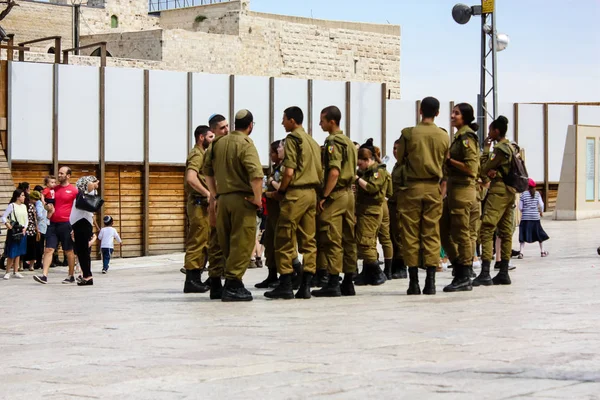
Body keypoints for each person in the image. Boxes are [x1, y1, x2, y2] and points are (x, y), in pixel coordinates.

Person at [204, 109, 264, 302]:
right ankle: (233, 284)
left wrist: (216, 194)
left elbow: (208, 172)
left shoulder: (218, 143)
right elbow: (256, 175)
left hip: (223, 200)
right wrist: (257, 199)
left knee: (226, 242)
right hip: (242, 200)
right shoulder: (246, 144)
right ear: (250, 126)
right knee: (243, 242)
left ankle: (226, 282)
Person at [265, 106, 323, 300]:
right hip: (311, 193)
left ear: (292, 120)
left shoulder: (293, 140)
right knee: (309, 240)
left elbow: (288, 171)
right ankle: (306, 286)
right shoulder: (313, 143)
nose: (282, 123)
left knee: (284, 238)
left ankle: (286, 284)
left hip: (295, 194)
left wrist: (281, 191)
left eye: (284, 119)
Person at [396, 97, 449, 295]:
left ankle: (414, 283)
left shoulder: (409, 134)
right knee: (431, 233)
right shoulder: (443, 136)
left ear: (420, 110)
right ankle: (431, 282)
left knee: (410, 234)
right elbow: (445, 161)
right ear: (437, 113)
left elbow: (400, 158)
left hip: (412, 188)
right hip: (433, 189)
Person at [311, 105, 358, 297]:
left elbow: (334, 171)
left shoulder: (332, 141)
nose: (320, 124)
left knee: (332, 237)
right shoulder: (348, 141)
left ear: (331, 121)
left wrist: (324, 196)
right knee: (349, 237)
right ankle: (348, 281)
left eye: (322, 120)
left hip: (336, 193)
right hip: (349, 194)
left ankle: (332, 281)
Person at [441, 103, 480, 293]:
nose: (452, 115)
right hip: (454, 190)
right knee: (443, 229)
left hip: (463, 191)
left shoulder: (466, 138)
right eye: (452, 112)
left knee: (462, 233)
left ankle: (464, 273)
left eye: (456, 113)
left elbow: (472, 168)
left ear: (465, 117)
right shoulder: (458, 136)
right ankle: (458, 265)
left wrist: (449, 161)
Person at [473, 116, 515, 286]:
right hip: (510, 191)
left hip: (498, 191)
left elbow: (484, 169)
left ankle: (485, 272)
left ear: (496, 131)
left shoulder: (500, 148)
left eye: (490, 130)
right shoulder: (510, 147)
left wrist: (485, 150)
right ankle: (503, 272)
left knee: (487, 228)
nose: (489, 134)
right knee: (505, 231)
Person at [182, 125, 214, 293]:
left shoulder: (204, 154)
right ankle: (191, 280)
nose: (212, 140)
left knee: (204, 241)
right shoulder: (197, 154)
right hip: (198, 204)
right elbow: (191, 178)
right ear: (201, 137)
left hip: (202, 205)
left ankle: (197, 278)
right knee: (197, 241)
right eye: (210, 137)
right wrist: (207, 193)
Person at [34, 166, 79, 284]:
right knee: (48, 249)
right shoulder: (53, 189)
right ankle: (44, 275)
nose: (59, 175)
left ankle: (71, 275)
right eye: (58, 173)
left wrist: (75, 227)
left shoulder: (74, 191)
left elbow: (78, 209)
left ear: (68, 176)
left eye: (62, 173)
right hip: (52, 223)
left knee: (68, 250)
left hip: (66, 223)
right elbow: (46, 202)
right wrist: (46, 207)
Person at [353, 139, 388, 286]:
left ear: (368, 160)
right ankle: (367, 274)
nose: (359, 167)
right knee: (368, 242)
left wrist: (357, 179)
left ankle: (378, 272)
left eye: (360, 163)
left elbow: (372, 188)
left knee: (365, 243)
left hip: (371, 211)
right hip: (364, 209)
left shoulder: (377, 172)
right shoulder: (366, 171)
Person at [205, 114, 229, 295]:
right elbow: (208, 176)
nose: (226, 130)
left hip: (227, 198)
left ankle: (224, 279)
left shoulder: (229, 146)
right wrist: (214, 197)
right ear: (212, 130)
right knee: (216, 241)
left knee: (228, 241)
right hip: (219, 198)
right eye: (222, 128)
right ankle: (215, 282)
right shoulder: (212, 150)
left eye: (227, 126)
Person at [70, 176, 100, 286]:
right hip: (79, 225)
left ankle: (87, 276)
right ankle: (86, 275)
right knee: (82, 252)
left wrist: (93, 182)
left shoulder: (87, 194)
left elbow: (91, 188)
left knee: (83, 252)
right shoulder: (82, 195)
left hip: (82, 224)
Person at [374, 145, 394, 280]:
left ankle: (373, 269)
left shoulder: (373, 170)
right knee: (386, 238)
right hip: (384, 204)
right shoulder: (385, 170)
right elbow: (390, 192)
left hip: (374, 205)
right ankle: (388, 270)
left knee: (370, 237)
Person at [389, 138, 408, 279]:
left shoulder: (406, 166)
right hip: (393, 202)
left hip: (402, 204)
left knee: (400, 235)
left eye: (398, 148)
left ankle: (401, 265)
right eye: (394, 148)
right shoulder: (397, 165)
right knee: (393, 235)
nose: (395, 151)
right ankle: (395, 263)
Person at [518, 178, 549, 257]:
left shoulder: (523, 194)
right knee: (539, 234)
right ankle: (542, 251)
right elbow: (541, 205)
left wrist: (524, 211)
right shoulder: (537, 194)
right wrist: (541, 212)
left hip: (525, 218)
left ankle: (521, 252)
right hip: (535, 217)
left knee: (523, 235)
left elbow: (520, 207)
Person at [2, 189, 28, 280]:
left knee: (19, 252)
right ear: (18, 197)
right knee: (12, 251)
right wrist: (7, 224)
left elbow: (26, 218)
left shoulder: (24, 206)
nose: (24, 197)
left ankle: (16, 271)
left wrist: (25, 227)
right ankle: (8, 271)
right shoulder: (12, 206)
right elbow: (4, 217)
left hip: (22, 230)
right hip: (14, 230)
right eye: (22, 195)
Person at [31, 187, 48, 270]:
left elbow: (40, 215)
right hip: (44, 226)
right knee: (40, 245)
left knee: (39, 245)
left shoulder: (38, 204)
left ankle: (38, 262)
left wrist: (35, 217)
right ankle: (39, 262)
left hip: (40, 227)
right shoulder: (42, 203)